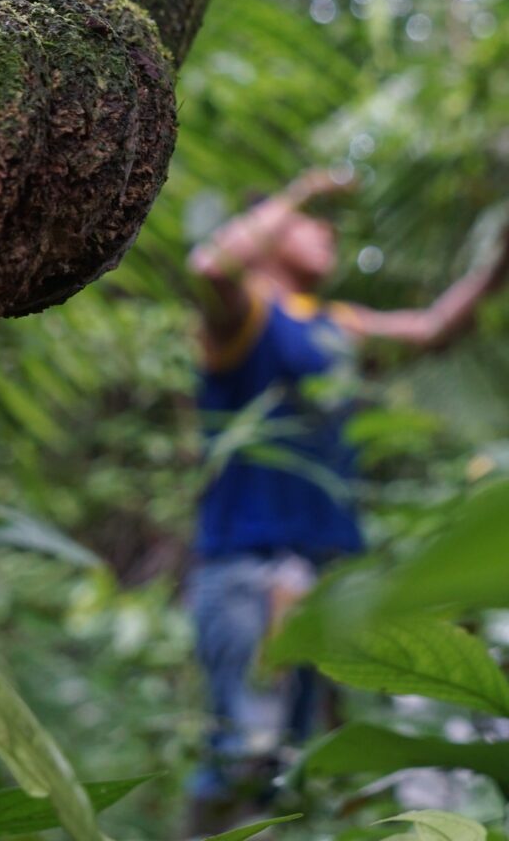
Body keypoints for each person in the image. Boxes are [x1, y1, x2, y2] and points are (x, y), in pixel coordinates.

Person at [183, 167, 509, 826]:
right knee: (246, 755)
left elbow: (432, 329)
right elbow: (210, 265)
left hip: (327, 572)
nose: (328, 231)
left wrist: (500, 262)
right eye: (312, 224)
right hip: (250, 567)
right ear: (270, 234)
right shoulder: (245, 315)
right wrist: (300, 190)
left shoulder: (338, 324)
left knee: (293, 771)